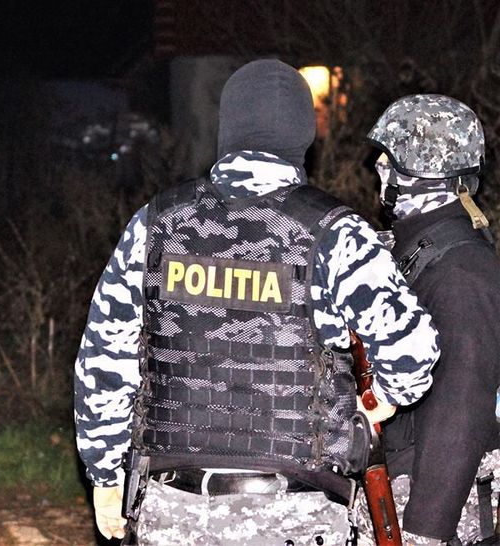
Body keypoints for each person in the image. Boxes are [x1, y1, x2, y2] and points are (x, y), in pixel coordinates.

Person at [74, 58, 440, 545]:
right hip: (296, 515)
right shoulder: (336, 233)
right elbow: (413, 351)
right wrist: (374, 406)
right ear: (303, 136)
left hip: (174, 509)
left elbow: (104, 359)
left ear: (228, 128)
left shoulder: (155, 223)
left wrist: (105, 477)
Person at [364, 94, 500, 546]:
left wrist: (425, 531)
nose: (379, 168)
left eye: (390, 160)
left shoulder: (460, 271)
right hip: (402, 485)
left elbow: (460, 411)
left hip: (432, 509)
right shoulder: (420, 249)